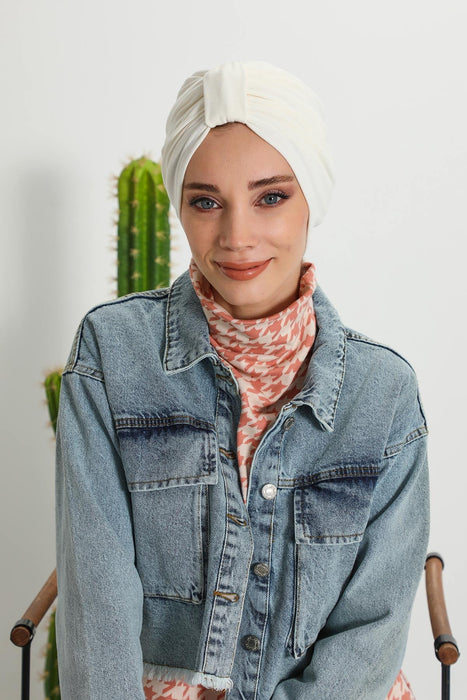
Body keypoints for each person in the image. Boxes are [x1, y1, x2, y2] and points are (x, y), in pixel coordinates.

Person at [55, 60, 429, 700]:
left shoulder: (384, 392)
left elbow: (372, 630)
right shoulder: (111, 355)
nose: (237, 236)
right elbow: (98, 608)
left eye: (270, 197)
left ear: (312, 199)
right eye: (206, 202)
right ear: (178, 208)